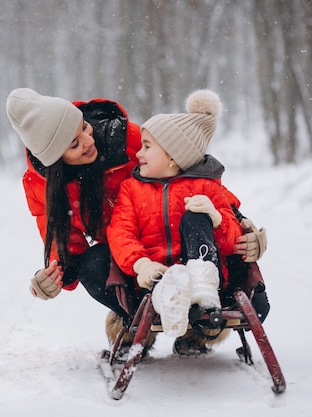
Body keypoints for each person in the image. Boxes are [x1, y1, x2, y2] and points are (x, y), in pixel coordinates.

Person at [107, 89, 269, 356]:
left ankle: (202, 301)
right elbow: (121, 233)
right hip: (156, 276)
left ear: (173, 157)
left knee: (195, 217)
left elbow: (232, 244)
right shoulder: (131, 189)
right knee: (164, 283)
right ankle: (172, 297)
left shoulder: (208, 187)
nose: (139, 154)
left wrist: (216, 219)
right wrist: (141, 263)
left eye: (147, 147)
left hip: (206, 279)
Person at [5, 87, 144, 346]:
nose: (88, 140)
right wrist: (53, 277)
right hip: (121, 250)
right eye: (74, 144)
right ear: (56, 160)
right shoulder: (42, 186)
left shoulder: (124, 138)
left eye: (84, 127)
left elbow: (185, 170)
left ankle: (201, 317)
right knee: (91, 267)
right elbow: (64, 243)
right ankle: (140, 318)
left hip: (160, 232)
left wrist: (231, 218)